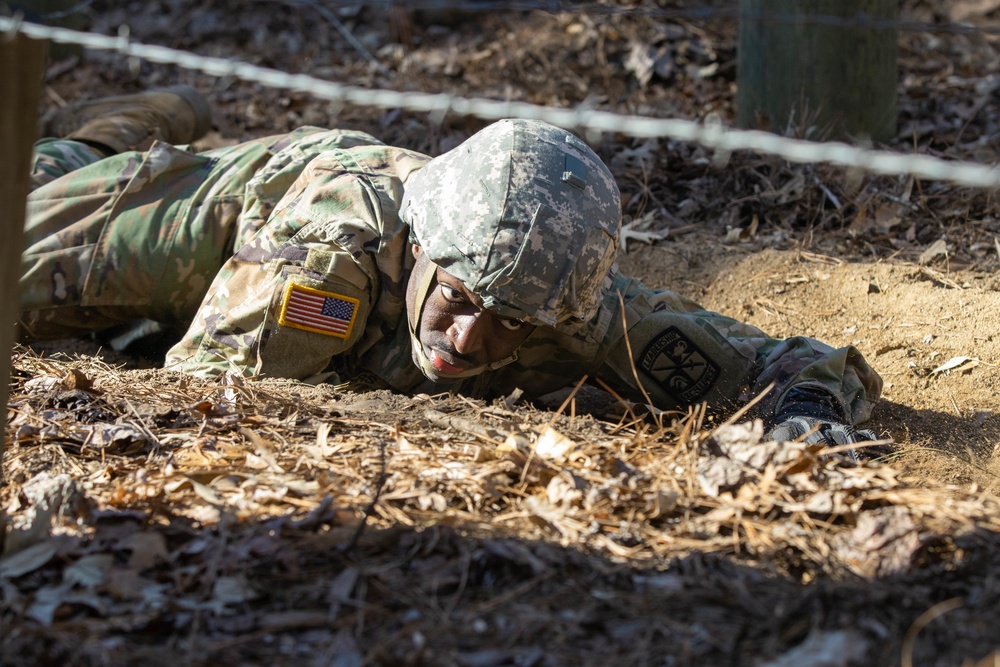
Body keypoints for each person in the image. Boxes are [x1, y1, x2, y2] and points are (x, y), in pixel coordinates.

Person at [21, 87, 884, 448]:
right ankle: (97, 137)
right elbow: (202, 407)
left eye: (514, 321)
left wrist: (809, 417)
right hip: (215, 214)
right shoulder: (333, 257)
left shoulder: (564, 299)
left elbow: (798, 364)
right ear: (425, 248)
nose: (473, 337)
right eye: (465, 298)